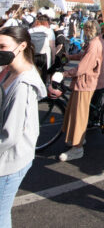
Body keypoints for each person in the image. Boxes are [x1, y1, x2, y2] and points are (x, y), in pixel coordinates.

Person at [0, 26, 47, 228]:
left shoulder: (23, 85)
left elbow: (10, 136)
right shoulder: (8, 69)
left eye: (2, 46)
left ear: (22, 46)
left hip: (10, 161)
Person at [59, 20, 104, 161]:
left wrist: (63, 74)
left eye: (85, 31)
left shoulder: (94, 44)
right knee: (76, 112)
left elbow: (82, 68)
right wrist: (71, 56)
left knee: (79, 115)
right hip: (87, 81)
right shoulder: (97, 41)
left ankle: (78, 148)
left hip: (86, 82)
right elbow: (84, 56)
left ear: (88, 31)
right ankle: (77, 138)